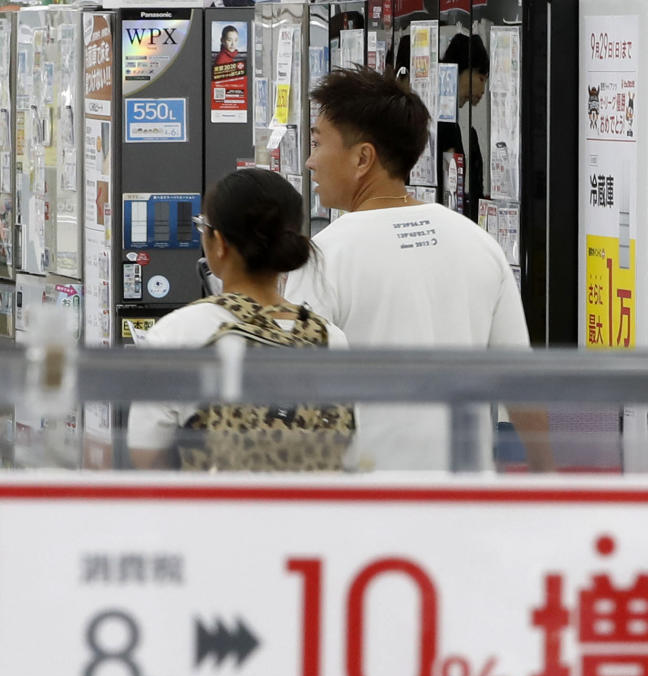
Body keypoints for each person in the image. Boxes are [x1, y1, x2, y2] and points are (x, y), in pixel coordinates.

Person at [285, 66, 551, 472]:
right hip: (463, 495)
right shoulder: (477, 242)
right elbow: (521, 383)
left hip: (367, 503)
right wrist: (549, 482)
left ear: (362, 158)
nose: (309, 161)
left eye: (318, 143)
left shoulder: (327, 255)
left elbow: (291, 391)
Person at [127, 168, 350, 470]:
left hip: (214, 512)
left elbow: (147, 456)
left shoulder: (178, 333)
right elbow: (345, 447)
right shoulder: (328, 337)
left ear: (219, 242)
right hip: (306, 514)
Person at [437, 33, 489, 221]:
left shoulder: (448, 118)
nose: (483, 91)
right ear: (464, 70)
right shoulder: (445, 122)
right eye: (481, 79)